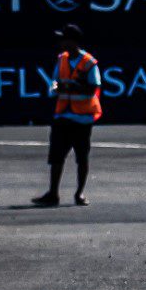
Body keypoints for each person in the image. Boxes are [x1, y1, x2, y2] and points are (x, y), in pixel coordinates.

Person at [34, 23, 102, 207]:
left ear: (73, 42)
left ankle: (79, 193)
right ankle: (53, 193)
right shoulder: (62, 59)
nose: (61, 43)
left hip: (82, 118)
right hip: (63, 116)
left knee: (82, 157)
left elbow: (93, 87)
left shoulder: (88, 62)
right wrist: (56, 88)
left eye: (64, 39)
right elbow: (54, 82)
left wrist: (73, 87)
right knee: (56, 156)